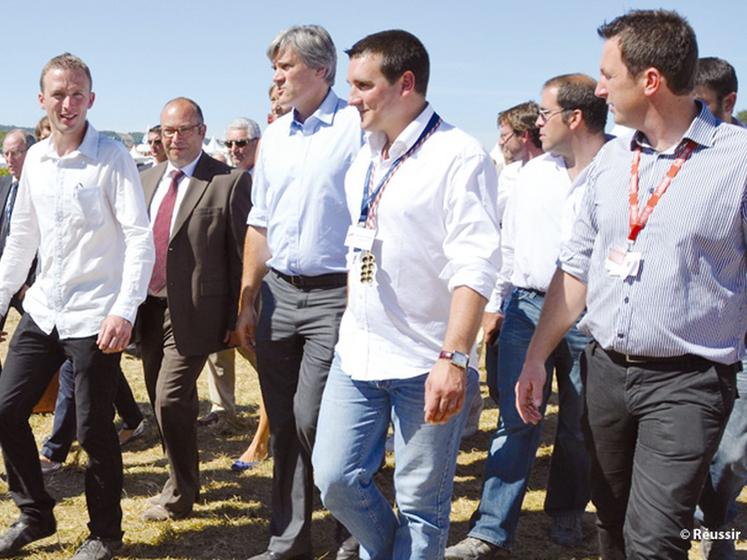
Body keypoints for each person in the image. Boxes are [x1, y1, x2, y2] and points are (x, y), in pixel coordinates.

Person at [515, 10, 745, 559]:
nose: (598, 89)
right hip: (608, 374)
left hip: (689, 383)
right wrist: (534, 358)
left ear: (650, 80)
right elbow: (575, 269)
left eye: (607, 75)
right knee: (613, 522)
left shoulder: (738, 162)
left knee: (655, 536)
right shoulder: (613, 160)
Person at [311, 29, 500, 559]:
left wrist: (454, 357)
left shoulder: (458, 156)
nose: (351, 99)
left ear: (406, 83)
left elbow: (476, 264)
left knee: (421, 503)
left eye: (363, 86)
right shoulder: (365, 154)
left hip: (426, 361)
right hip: (359, 353)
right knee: (336, 478)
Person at [446, 73, 608, 559]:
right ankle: (491, 530)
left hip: (590, 314)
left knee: (581, 423)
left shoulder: (622, 168)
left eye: (545, 114)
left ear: (574, 118)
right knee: (517, 418)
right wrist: (496, 306)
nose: (537, 124)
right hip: (525, 306)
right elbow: (508, 244)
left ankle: (565, 514)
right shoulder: (530, 175)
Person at [0, 52, 154, 560]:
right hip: (44, 309)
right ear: (41, 100)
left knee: (92, 430)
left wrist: (124, 309)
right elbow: (21, 241)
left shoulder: (112, 158)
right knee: (5, 409)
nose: (68, 104)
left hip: (96, 315)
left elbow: (138, 238)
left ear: (92, 99)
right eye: (58, 94)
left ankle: (106, 532)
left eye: (77, 94)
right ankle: (35, 514)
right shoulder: (37, 159)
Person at [235, 24, 362, 560]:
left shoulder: (357, 127)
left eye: (286, 68)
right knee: (283, 418)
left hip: (338, 295)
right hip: (279, 298)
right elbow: (259, 223)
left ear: (322, 71)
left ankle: (356, 531)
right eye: (275, 69)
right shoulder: (277, 138)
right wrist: (246, 298)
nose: (277, 78)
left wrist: (362, 294)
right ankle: (288, 541)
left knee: (317, 417)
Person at [136, 97, 250, 522]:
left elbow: (241, 255)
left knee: (168, 397)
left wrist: (239, 313)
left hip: (197, 312)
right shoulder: (146, 180)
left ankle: (180, 493)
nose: (176, 138)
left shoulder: (227, 182)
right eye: (168, 131)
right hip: (147, 308)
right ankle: (182, 476)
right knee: (163, 399)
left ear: (202, 132)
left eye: (185, 130)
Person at [692, 56, 746, 560]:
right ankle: (707, 533)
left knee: (732, 455)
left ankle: (717, 534)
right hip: (698, 343)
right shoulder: (673, 159)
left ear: (729, 103)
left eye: (703, 106)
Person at [198, 116, 262, 431]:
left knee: (253, 344)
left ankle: (276, 408)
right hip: (224, 274)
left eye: (241, 143)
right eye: (230, 143)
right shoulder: (222, 178)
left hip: (258, 276)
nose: (235, 149)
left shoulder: (267, 177)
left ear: (256, 144)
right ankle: (222, 408)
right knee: (218, 345)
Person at [483, 102, 543, 403]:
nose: (500, 142)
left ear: (524, 135)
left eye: (505, 135)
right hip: (513, 292)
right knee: (501, 383)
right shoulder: (508, 177)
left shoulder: (558, 173)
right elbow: (502, 239)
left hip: (551, 291)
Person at [0, 130, 34, 330]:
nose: (9, 159)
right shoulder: (3, 186)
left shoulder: (43, 189)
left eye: (16, 153)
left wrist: (30, 283)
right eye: (6, 154)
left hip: (28, 287)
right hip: (3, 279)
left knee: (50, 343)